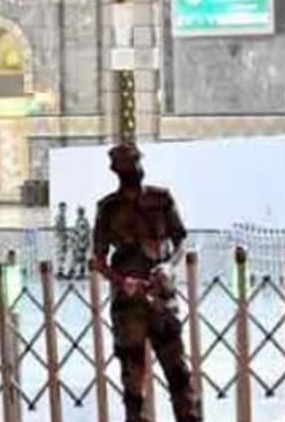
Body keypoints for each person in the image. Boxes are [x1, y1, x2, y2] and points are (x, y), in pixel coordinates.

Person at [91, 143, 199, 422]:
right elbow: (99, 260)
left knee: (178, 373)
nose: (135, 170)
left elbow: (180, 241)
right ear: (117, 171)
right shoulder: (108, 209)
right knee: (132, 380)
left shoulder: (161, 199)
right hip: (128, 305)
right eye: (128, 165)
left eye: (136, 162)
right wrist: (121, 281)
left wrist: (169, 265)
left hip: (162, 298)